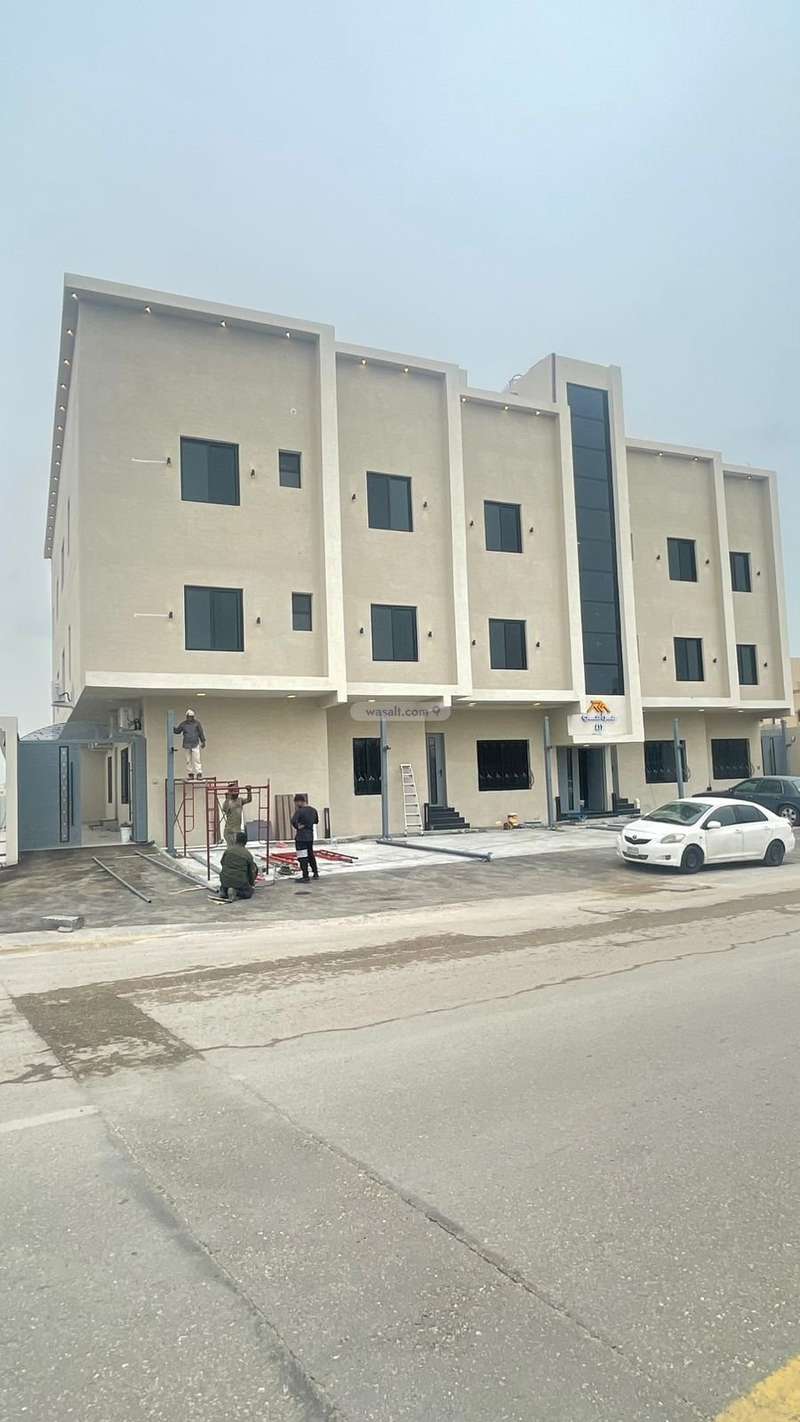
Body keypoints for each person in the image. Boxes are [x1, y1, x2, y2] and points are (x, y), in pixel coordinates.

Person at [212, 831, 257, 902]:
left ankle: (224, 891)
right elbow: (251, 871)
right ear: (245, 842)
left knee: (228, 881)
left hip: (225, 880)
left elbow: (222, 862)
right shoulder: (247, 854)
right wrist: (251, 884)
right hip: (239, 882)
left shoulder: (228, 850)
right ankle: (236, 892)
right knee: (248, 893)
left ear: (236, 840)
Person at [291, 793, 319, 882]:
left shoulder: (300, 811)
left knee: (302, 856)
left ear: (299, 802)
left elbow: (293, 821)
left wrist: (298, 826)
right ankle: (315, 873)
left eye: (296, 803)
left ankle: (305, 876)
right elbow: (316, 821)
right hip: (310, 836)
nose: (296, 805)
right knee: (310, 854)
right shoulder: (313, 810)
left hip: (301, 837)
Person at [174, 709, 206, 778]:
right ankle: (190, 773)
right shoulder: (183, 724)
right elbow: (178, 731)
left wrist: (203, 741)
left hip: (195, 743)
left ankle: (199, 773)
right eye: (189, 716)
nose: (190, 718)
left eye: (192, 716)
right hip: (187, 744)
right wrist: (172, 727)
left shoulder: (197, 723)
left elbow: (201, 733)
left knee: (197, 759)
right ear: (187, 716)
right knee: (188, 760)